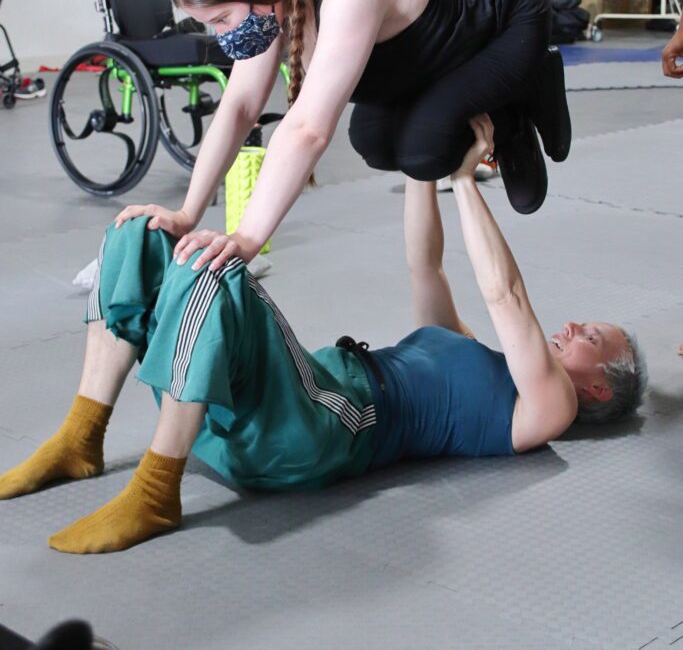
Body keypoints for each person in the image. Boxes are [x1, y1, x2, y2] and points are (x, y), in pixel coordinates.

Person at [0, 117, 645, 554]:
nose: (569, 326)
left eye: (590, 335)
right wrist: (422, 159)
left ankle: (154, 491)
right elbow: (426, 264)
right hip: (266, 408)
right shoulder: (472, 350)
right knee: (140, 233)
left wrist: (463, 181)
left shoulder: (546, 410)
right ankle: (80, 438)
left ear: (595, 388)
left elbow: (508, 295)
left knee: (218, 273)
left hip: (320, 429)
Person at [114, 0, 572, 275]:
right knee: (373, 142)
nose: (222, 35)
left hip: (505, 8)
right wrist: (188, 213)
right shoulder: (270, 1)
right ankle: (475, 95)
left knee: (426, 152)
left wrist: (248, 238)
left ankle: (517, 101)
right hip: (426, 55)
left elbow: (309, 130)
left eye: (221, 19)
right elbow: (238, 108)